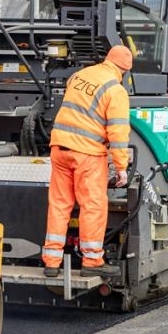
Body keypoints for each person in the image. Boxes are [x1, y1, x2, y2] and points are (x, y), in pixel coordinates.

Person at [42, 45, 133, 278]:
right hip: (87, 154)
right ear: (124, 70)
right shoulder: (115, 90)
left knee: (60, 204)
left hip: (59, 147)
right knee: (92, 206)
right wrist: (121, 168)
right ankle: (92, 261)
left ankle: (52, 262)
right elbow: (118, 133)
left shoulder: (80, 75)